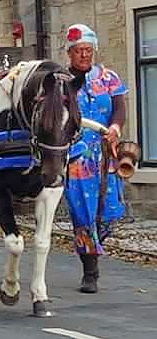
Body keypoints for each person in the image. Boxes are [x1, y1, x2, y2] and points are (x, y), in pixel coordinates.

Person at [64, 24, 128, 294]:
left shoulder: (109, 78)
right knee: (82, 214)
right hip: (76, 157)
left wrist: (115, 128)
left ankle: (95, 245)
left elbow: (119, 109)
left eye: (88, 50)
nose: (84, 55)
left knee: (108, 210)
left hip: (105, 155)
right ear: (70, 53)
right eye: (79, 51)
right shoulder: (60, 80)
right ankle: (89, 269)